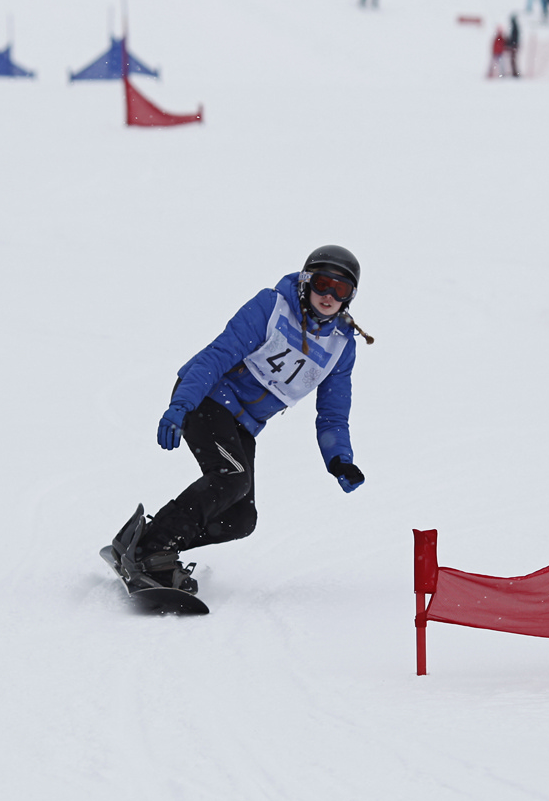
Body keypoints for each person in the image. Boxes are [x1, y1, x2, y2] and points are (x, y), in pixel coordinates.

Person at [108, 246, 372, 595]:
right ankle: (151, 552)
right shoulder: (272, 307)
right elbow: (217, 356)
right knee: (231, 478)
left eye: (341, 289)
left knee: (239, 520)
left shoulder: (341, 346)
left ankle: (147, 543)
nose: (328, 295)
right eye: (323, 283)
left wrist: (340, 459)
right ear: (307, 282)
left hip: (243, 422)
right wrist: (181, 405)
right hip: (208, 398)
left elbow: (333, 414)